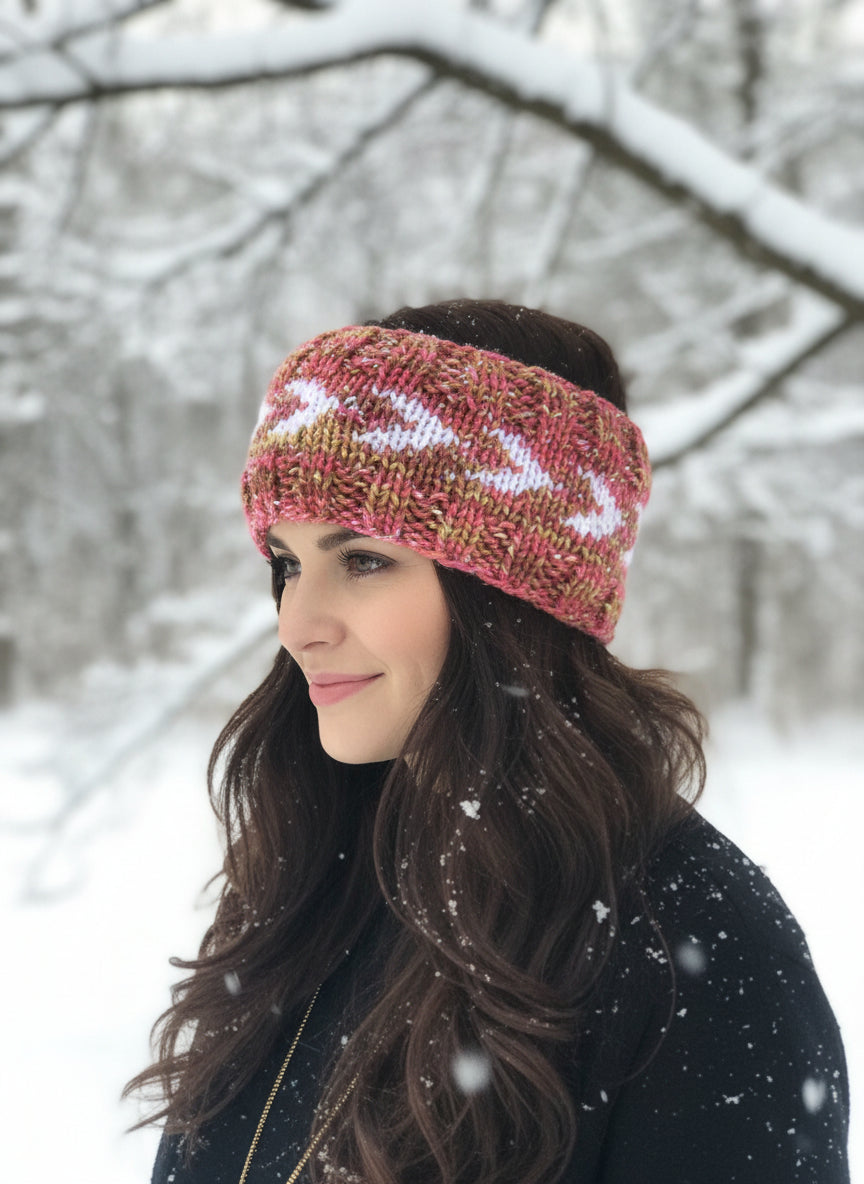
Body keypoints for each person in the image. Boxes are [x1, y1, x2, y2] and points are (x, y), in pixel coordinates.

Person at [130, 300, 849, 1184]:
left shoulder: (691, 945)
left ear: (513, 596)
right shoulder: (316, 876)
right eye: (287, 564)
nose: (297, 623)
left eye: (363, 560)